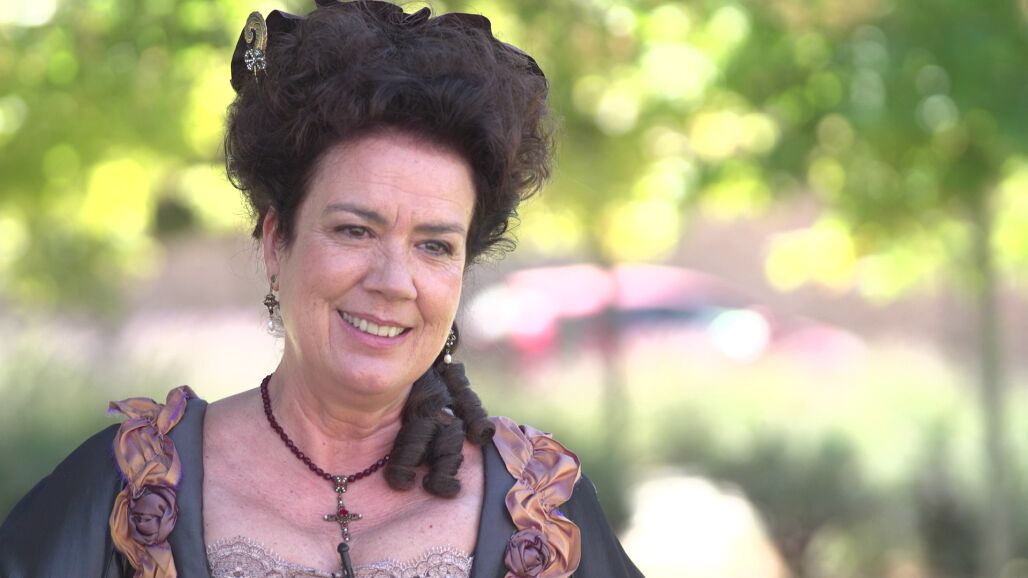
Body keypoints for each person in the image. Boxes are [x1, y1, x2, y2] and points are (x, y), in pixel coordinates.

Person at [0, 1, 643, 577]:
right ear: (275, 242)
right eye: (355, 230)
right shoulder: (127, 486)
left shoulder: (541, 511)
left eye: (434, 246)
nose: (394, 282)